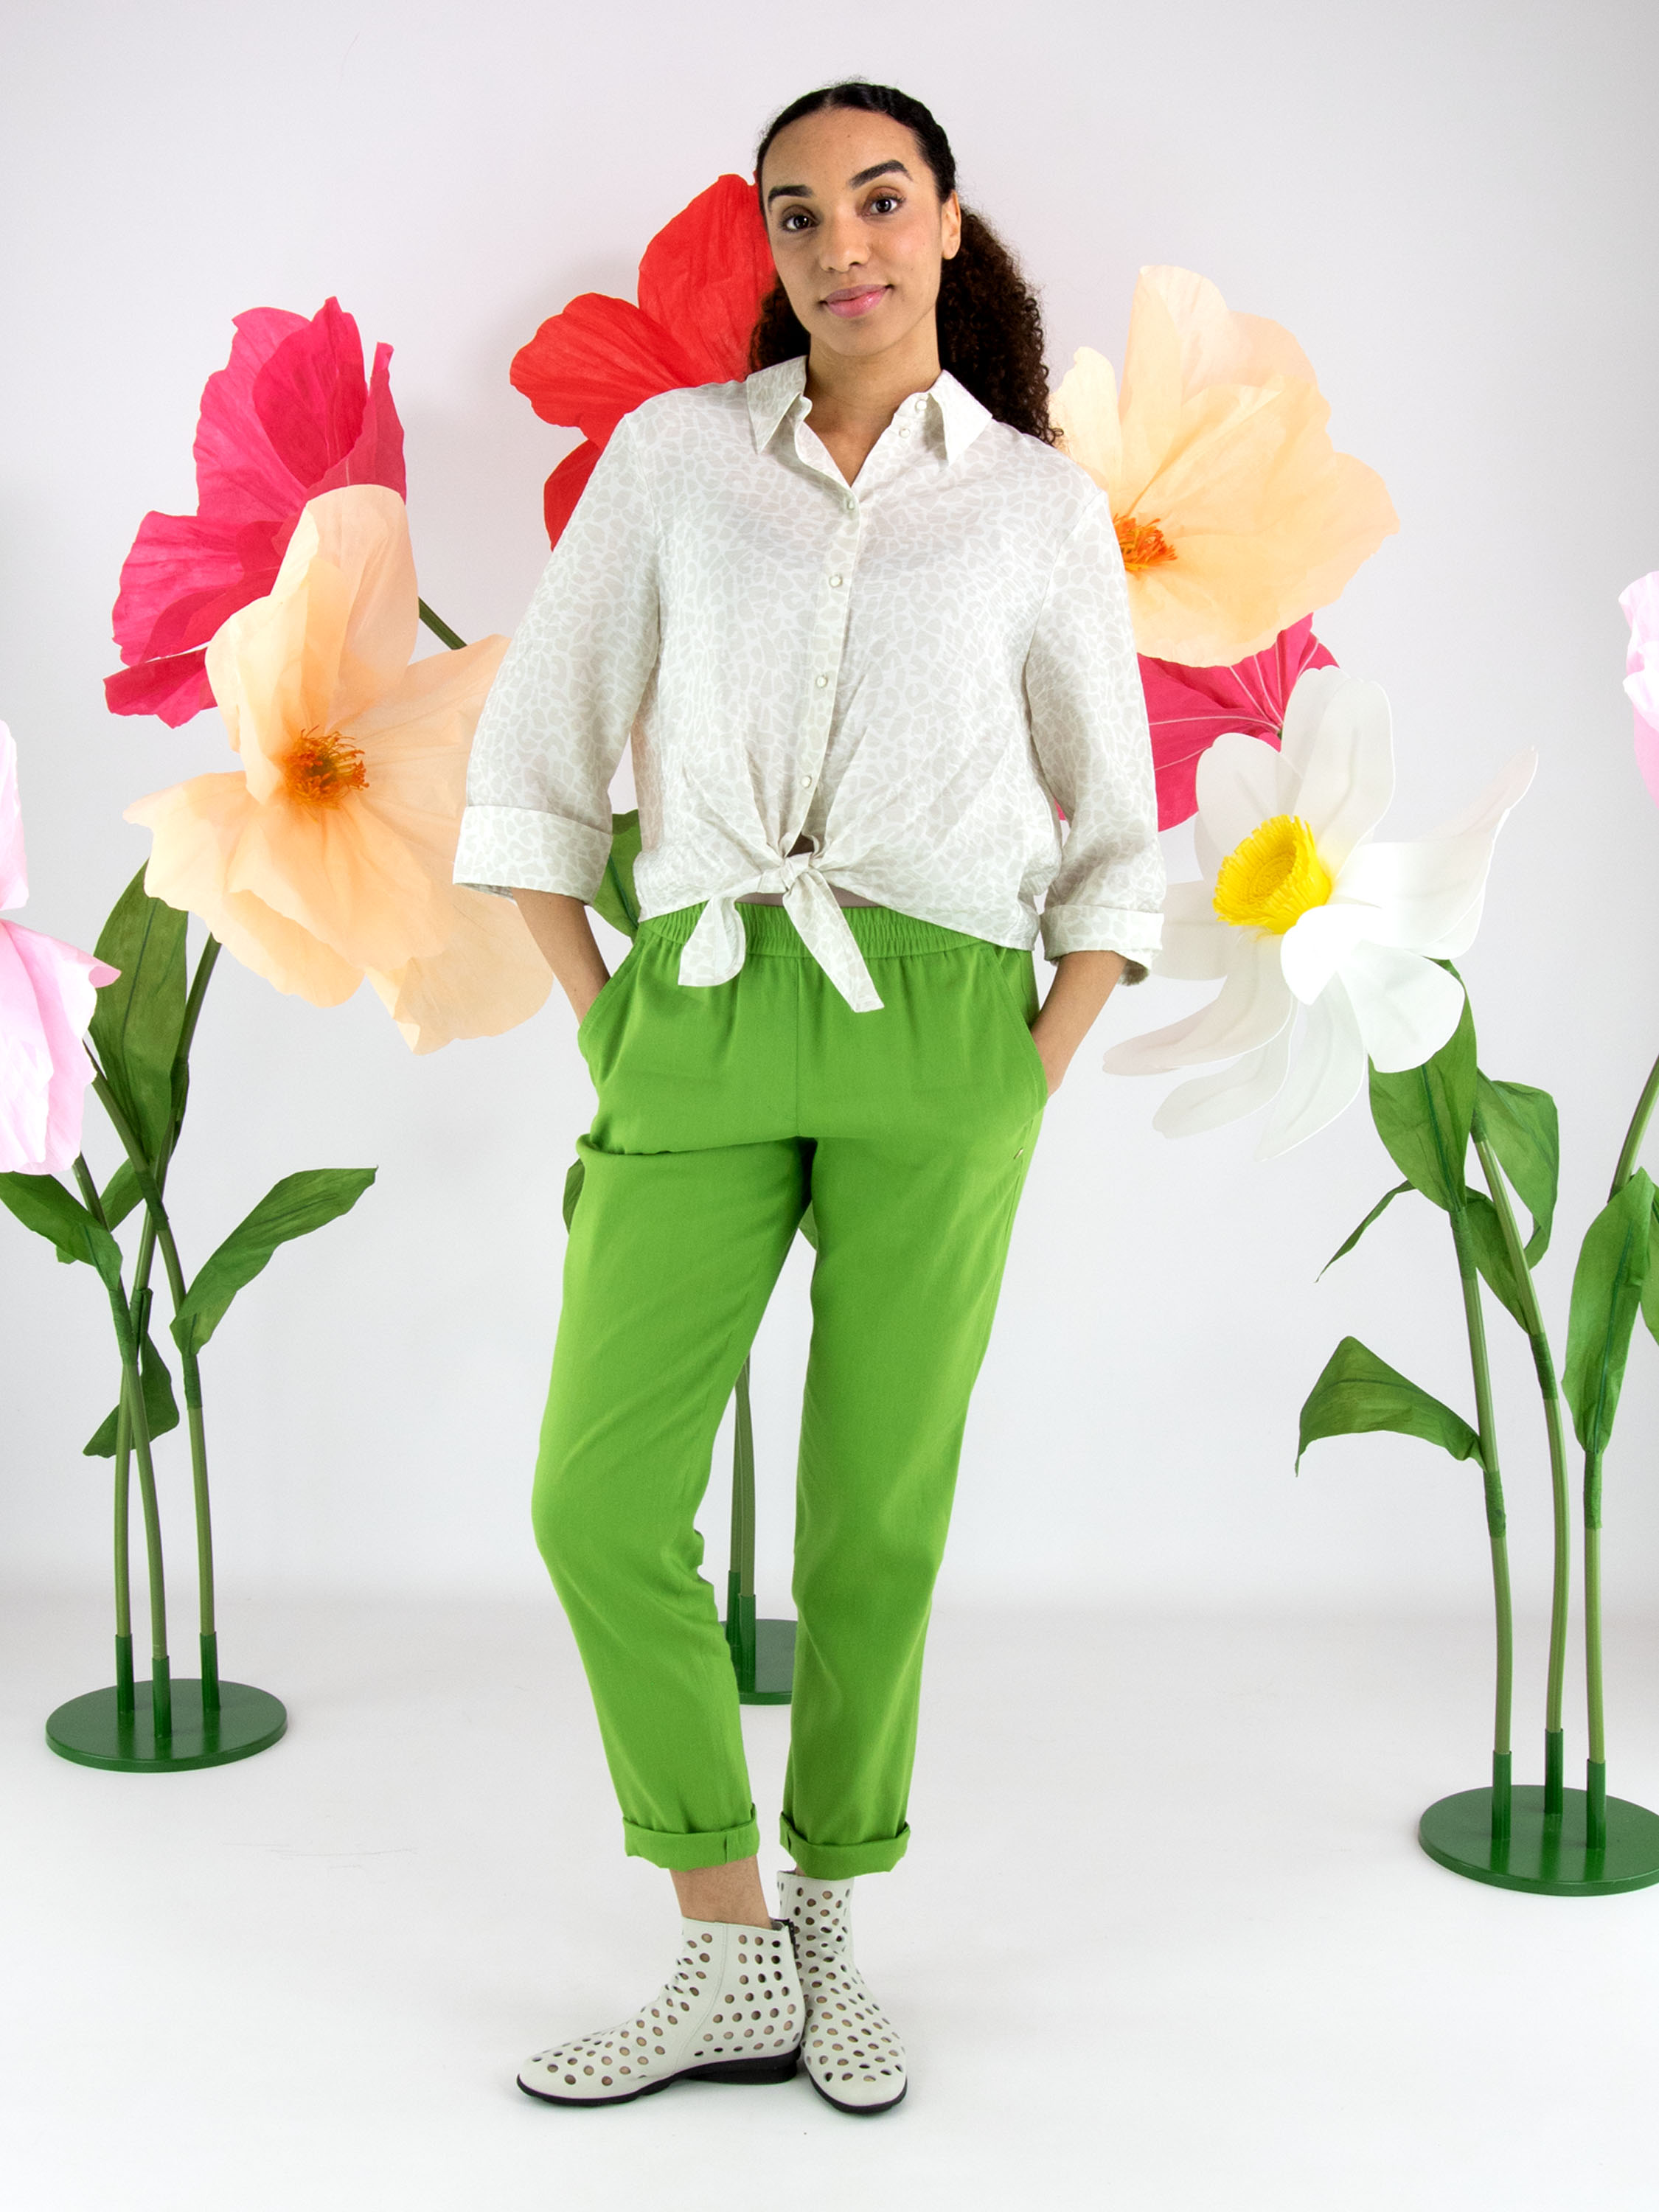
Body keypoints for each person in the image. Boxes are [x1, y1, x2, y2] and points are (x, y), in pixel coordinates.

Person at [453, 78, 1163, 2116]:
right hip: (697, 1003)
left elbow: (1116, 833)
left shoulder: (1033, 508)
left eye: (878, 199)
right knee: (598, 1500)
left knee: (874, 1517)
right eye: (797, 212)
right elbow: (537, 756)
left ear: (944, 222)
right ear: (770, 248)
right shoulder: (679, 461)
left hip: (943, 1028)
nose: (840, 243)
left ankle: (833, 1927)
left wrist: (1026, 1075)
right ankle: (725, 1942)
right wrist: (606, 1019)